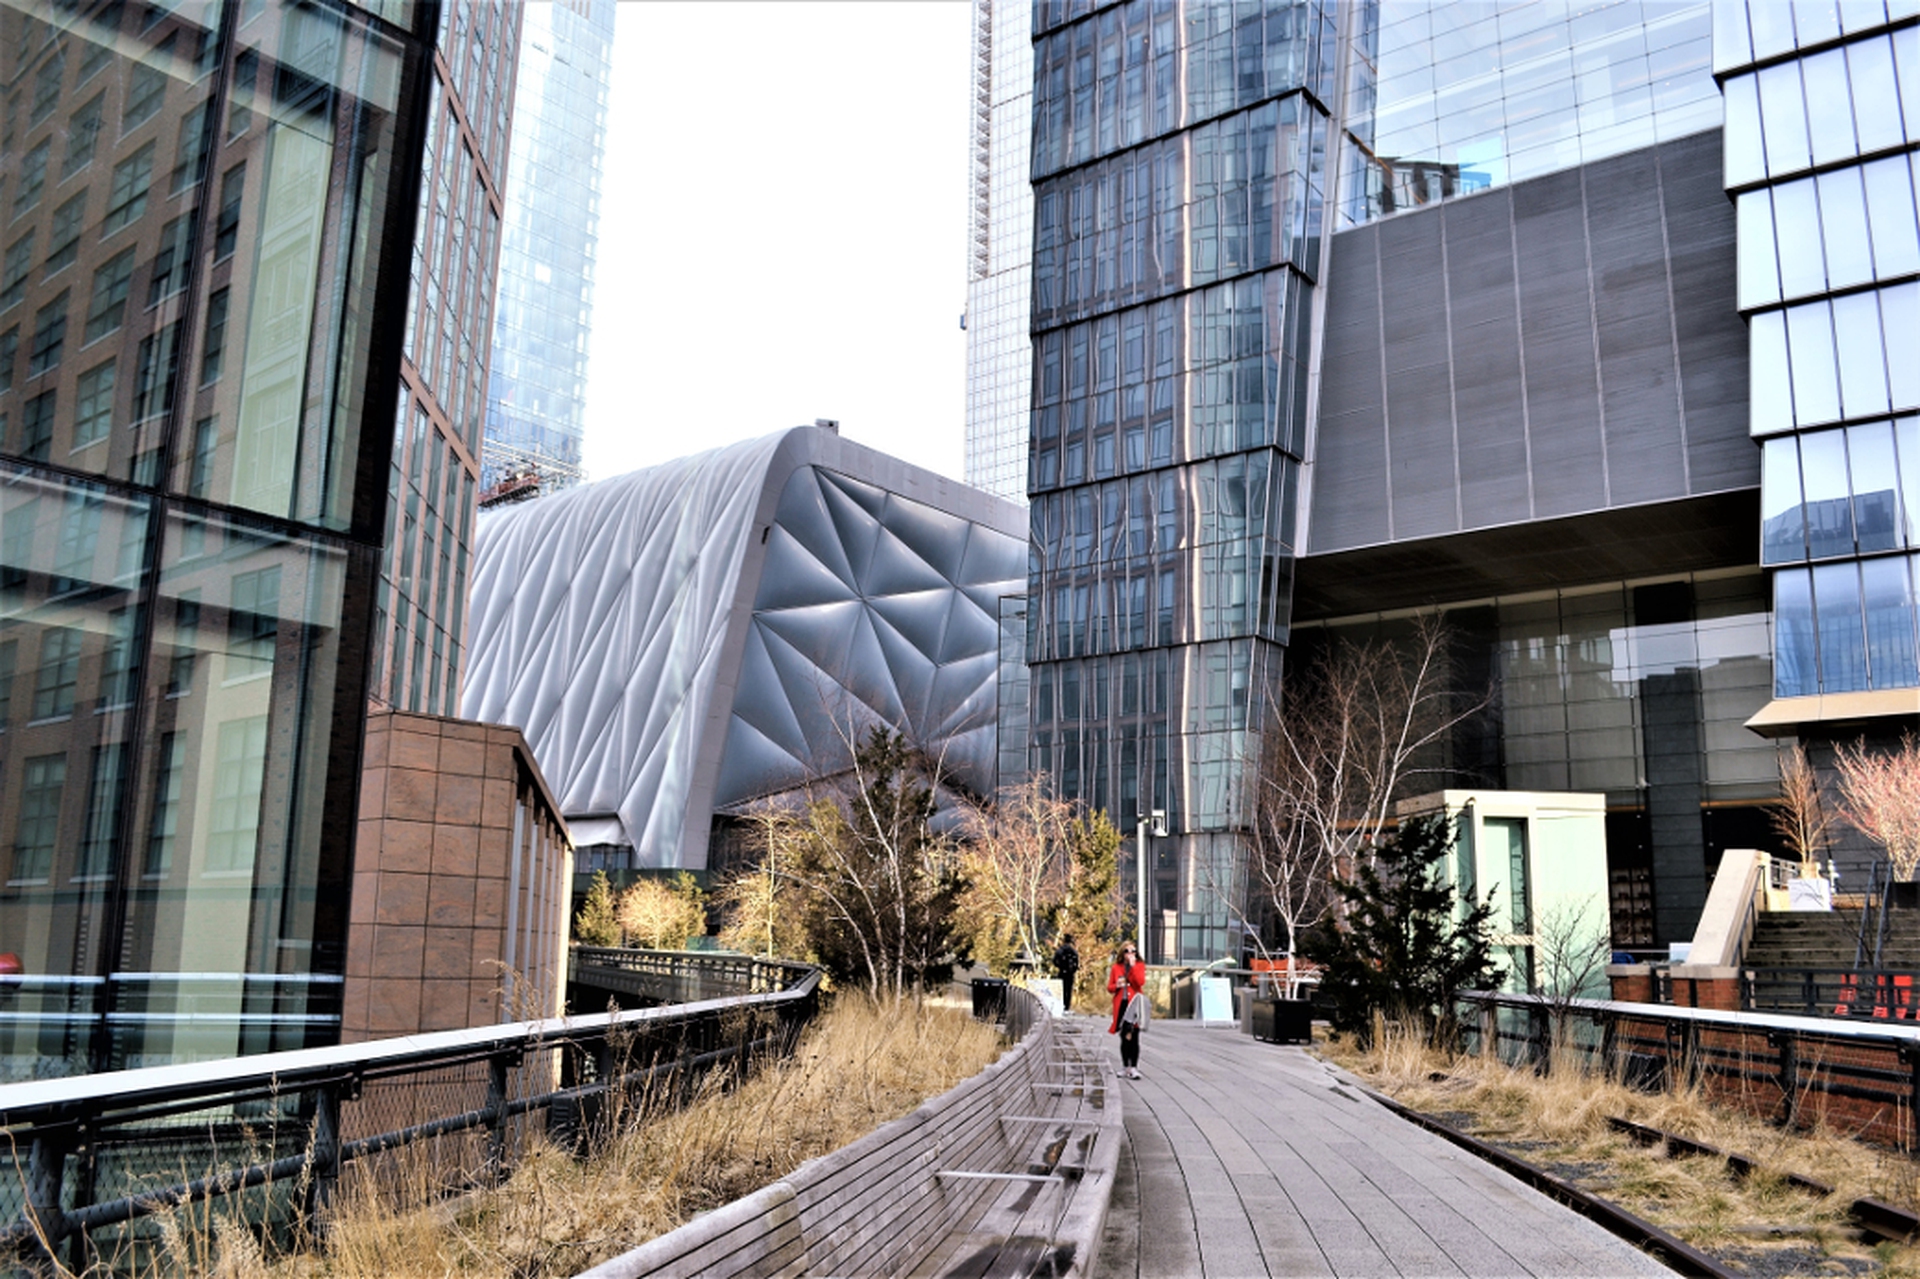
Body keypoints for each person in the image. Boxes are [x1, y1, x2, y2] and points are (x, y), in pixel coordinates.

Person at [1107, 941, 1147, 1078]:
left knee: (1134, 1036)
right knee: (1124, 1036)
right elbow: (1110, 988)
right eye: (1127, 951)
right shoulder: (1116, 968)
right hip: (1121, 1004)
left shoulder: (1139, 966)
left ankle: (1134, 1067)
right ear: (1122, 953)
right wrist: (1117, 985)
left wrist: (1133, 966)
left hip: (1134, 1004)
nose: (1130, 954)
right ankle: (1125, 1066)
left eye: (1133, 951)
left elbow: (1140, 983)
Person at [1052, 933, 1080, 1012]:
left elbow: (1054, 961)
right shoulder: (1073, 951)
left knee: (1062, 989)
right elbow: (1077, 963)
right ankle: (1067, 1006)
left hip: (1062, 972)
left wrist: (1060, 966)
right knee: (1069, 989)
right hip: (1070, 973)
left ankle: (1061, 1005)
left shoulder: (1060, 950)